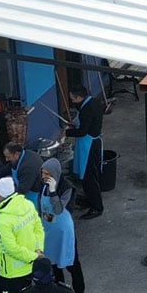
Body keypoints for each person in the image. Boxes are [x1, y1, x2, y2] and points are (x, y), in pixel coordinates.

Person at [35, 159, 84, 293]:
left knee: (71, 261)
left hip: (63, 230)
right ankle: (60, 289)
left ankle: (79, 290)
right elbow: (40, 205)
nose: (44, 176)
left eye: (47, 173)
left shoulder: (66, 187)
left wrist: (52, 192)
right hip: (49, 229)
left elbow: (58, 209)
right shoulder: (42, 184)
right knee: (53, 261)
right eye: (43, 173)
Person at [65, 86, 106, 220]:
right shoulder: (94, 102)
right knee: (90, 175)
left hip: (88, 145)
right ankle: (91, 200)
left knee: (89, 177)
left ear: (78, 97)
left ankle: (97, 207)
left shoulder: (86, 110)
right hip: (92, 142)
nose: (72, 101)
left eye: (72, 99)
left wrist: (67, 132)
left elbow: (82, 131)